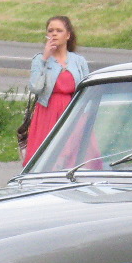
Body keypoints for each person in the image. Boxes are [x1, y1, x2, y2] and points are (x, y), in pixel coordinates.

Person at [23, 15, 90, 160]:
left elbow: (87, 90)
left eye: (59, 30)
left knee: (74, 156)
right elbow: (35, 87)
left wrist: (87, 114)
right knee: (47, 156)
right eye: (50, 30)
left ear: (68, 35)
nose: (54, 34)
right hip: (48, 111)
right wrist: (44, 59)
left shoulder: (78, 61)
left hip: (72, 110)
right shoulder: (39, 59)